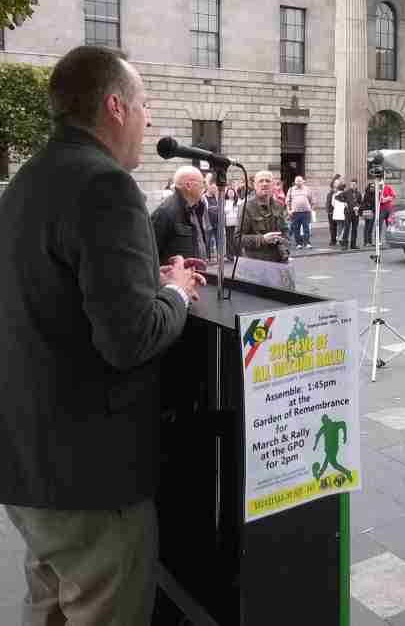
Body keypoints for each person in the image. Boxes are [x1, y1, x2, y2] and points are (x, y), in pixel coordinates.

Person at [0, 45, 205, 626]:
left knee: (49, 609)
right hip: (91, 480)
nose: (148, 120)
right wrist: (177, 292)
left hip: (27, 465)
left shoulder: (28, 180)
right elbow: (131, 338)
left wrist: (148, 285)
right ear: (115, 106)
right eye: (144, 107)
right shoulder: (106, 187)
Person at [151, 165, 211, 264]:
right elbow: (151, 253)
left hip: (193, 275)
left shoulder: (196, 208)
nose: (204, 187)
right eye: (202, 183)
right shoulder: (165, 212)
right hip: (176, 277)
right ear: (188, 186)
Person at [235, 170, 289, 262]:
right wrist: (262, 239)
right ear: (255, 185)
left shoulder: (279, 205)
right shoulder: (246, 207)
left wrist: (284, 242)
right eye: (261, 181)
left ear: (273, 185)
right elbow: (238, 239)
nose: (264, 184)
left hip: (278, 261)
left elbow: (285, 230)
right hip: (256, 263)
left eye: (268, 181)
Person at [286, 175, 315, 250]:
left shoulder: (307, 189)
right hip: (295, 213)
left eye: (300, 181)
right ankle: (298, 243)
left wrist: (311, 209)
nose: (298, 182)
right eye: (297, 181)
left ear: (303, 181)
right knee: (296, 229)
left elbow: (312, 200)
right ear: (295, 182)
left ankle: (307, 243)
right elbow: (287, 201)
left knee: (306, 228)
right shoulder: (291, 190)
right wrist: (289, 211)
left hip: (306, 212)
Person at [339, 179, 362, 250]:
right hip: (348, 213)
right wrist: (344, 202)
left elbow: (360, 202)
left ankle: (353, 244)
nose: (353, 186)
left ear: (356, 185)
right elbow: (338, 197)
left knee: (354, 229)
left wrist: (358, 207)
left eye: (354, 185)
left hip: (355, 213)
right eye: (351, 184)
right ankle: (344, 245)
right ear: (350, 185)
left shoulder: (358, 193)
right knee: (347, 228)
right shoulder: (346, 192)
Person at [326, 174, 342, 246]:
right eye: (336, 182)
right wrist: (329, 211)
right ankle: (333, 240)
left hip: (339, 212)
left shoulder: (341, 191)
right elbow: (329, 203)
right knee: (332, 226)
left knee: (339, 226)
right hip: (332, 212)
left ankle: (339, 239)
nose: (338, 183)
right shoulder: (331, 193)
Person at [224, 186, 239, 261]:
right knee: (229, 240)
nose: (230, 194)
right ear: (227, 194)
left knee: (235, 240)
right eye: (229, 192)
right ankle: (229, 255)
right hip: (228, 224)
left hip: (236, 223)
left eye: (232, 192)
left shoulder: (238, 201)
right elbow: (224, 211)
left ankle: (236, 255)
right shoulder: (225, 202)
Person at [360, 181, 376, 246]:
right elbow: (363, 203)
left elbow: (376, 203)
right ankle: (366, 242)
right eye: (371, 187)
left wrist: (373, 209)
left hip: (372, 212)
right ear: (369, 187)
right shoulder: (366, 194)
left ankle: (369, 241)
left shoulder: (375, 194)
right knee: (367, 227)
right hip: (367, 212)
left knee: (370, 227)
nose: (372, 188)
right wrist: (368, 206)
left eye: (373, 187)